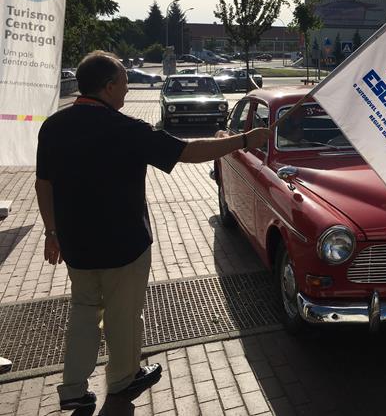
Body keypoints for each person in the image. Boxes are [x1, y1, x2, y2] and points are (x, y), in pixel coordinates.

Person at [35, 51, 269, 410]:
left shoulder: (53, 126)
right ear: (109, 86)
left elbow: (43, 184)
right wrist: (242, 141)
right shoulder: (126, 129)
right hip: (124, 244)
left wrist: (52, 232)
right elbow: (187, 151)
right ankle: (123, 379)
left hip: (75, 244)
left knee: (83, 311)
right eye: (125, 84)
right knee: (123, 315)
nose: (127, 91)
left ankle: (73, 390)